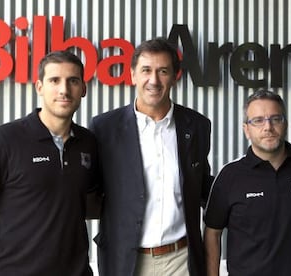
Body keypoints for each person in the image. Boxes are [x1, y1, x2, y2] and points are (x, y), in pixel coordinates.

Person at [0, 50, 98, 276]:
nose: (64, 90)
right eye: (54, 80)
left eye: (72, 81)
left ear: (83, 89)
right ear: (39, 87)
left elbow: (90, 205)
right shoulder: (6, 139)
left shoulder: (88, 143)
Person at [89, 38, 213, 276]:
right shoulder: (104, 128)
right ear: (133, 74)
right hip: (127, 261)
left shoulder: (197, 126)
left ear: (175, 76)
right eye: (146, 70)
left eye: (163, 71)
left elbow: (202, 186)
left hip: (181, 260)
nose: (153, 80)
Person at [204, 89, 291, 276]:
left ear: (285, 124)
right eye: (258, 120)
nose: (268, 127)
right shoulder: (230, 176)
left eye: (275, 119)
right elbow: (212, 233)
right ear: (246, 129)